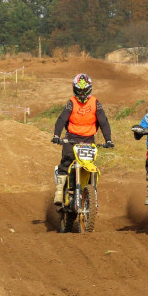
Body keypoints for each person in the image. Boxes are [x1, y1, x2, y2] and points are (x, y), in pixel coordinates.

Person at [50, 73, 114, 206]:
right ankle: (59, 191)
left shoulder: (95, 102)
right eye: (80, 91)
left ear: (90, 89)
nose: (83, 94)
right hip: (71, 138)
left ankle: (91, 193)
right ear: (75, 89)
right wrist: (57, 135)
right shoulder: (72, 103)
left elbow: (103, 122)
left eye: (85, 91)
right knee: (66, 161)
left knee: (90, 165)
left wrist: (108, 140)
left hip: (88, 140)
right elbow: (62, 119)